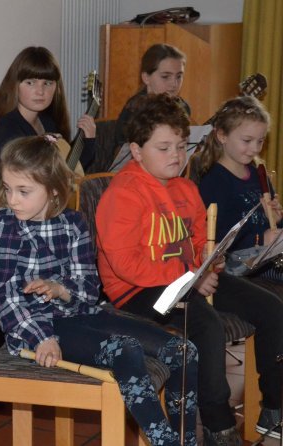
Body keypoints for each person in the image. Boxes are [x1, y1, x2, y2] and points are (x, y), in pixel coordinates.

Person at [0, 134, 198, 445]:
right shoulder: (5, 225)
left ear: (54, 190)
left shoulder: (73, 223)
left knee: (183, 350)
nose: (12, 200)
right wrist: (42, 338)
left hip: (82, 314)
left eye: (23, 191)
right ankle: (164, 442)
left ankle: (184, 440)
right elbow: (4, 294)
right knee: (125, 349)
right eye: (8, 189)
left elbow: (89, 286)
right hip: (35, 329)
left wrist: (60, 288)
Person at [96, 93, 283, 445]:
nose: (176, 156)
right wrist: (191, 277)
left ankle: (274, 407)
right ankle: (219, 425)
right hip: (137, 291)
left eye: (181, 147)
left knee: (271, 308)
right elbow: (125, 266)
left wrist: (211, 261)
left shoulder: (185, 188)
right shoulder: (123, 194)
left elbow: (200, 242)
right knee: (205, 324)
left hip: (187, 279)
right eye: (163, 148)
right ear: (137, 151)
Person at [0, 46, 97, 253]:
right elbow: (34, 177)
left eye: (47, 83)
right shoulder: (6, 127)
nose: (40, 91)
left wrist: (89, 139)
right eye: (30, 82)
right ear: (15, 85)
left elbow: (69, 170)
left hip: (29, 215)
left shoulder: (47, 123)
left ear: (56, 87)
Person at [195, 96, 283, 281]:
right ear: (222, 136)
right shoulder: (215, 182)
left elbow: (274, 230)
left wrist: (277, 219)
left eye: (260, 141)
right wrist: (260, 239)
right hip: (239, 269)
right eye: (247, 140)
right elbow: (218, 242)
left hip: (265, 260)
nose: (254, 149)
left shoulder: (258, 175)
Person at [113, 43, 191, 152]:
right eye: (165, 76)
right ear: (146, 78)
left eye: (179, 76)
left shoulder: (182, 107)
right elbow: (122, 152)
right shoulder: (134, 109)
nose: (174, 83)